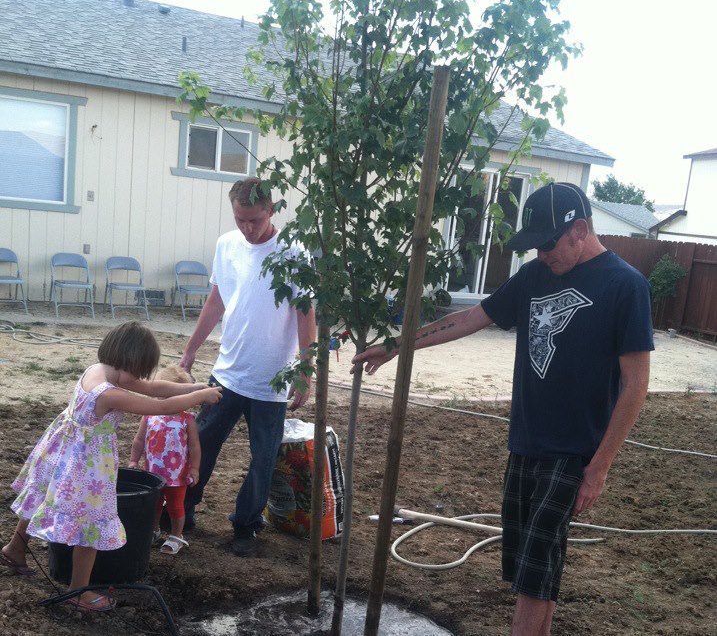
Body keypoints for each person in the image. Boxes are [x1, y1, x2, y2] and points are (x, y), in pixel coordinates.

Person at [353, 182, 653, 636]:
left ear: (580, 229)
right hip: (525, 444)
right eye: (533, 247)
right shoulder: (535, 277)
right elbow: (470, 318)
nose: (540, 255)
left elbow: (635, 385)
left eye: (547, 244)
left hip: (572, 455)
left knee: (534, 580)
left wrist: (600, 467)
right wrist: (396, 346)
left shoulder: (626, 286)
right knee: (534, 574)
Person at [1, 322, 222, 613]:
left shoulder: (100, 369)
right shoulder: (107, 393)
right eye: (139, 370)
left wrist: (195, 385)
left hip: (64, 451)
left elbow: (154, 388)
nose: (140, 378)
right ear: (130, 362)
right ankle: (78, 591)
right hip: (86, 465)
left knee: (41, 497)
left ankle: (15, 550)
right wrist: (199, 398)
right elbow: (158, 405)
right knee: (91, 523)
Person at [180, 177, 316, 557]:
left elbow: (306, 315)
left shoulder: (294, 253)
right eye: (240, 219)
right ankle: (183, 510)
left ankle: (245, 525)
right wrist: (190, 350)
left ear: (271, 211)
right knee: (202, 447)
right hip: (226, 373)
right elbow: (215, 302)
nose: (247, 228)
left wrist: (305, 370)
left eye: (254, 220)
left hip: (271, 381)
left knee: (264, 457)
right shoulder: (227, 245)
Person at [128, 365, 201, 555]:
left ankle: (177, 535)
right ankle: (154, 530)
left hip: (177, 475)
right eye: (162, 396)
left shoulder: (187, 420)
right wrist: (134, 461)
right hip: (152, 472)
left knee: (176, 505)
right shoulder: (150, 415)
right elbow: (139, 439)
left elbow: (194, 447)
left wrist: (194, 468)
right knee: (155, 503)